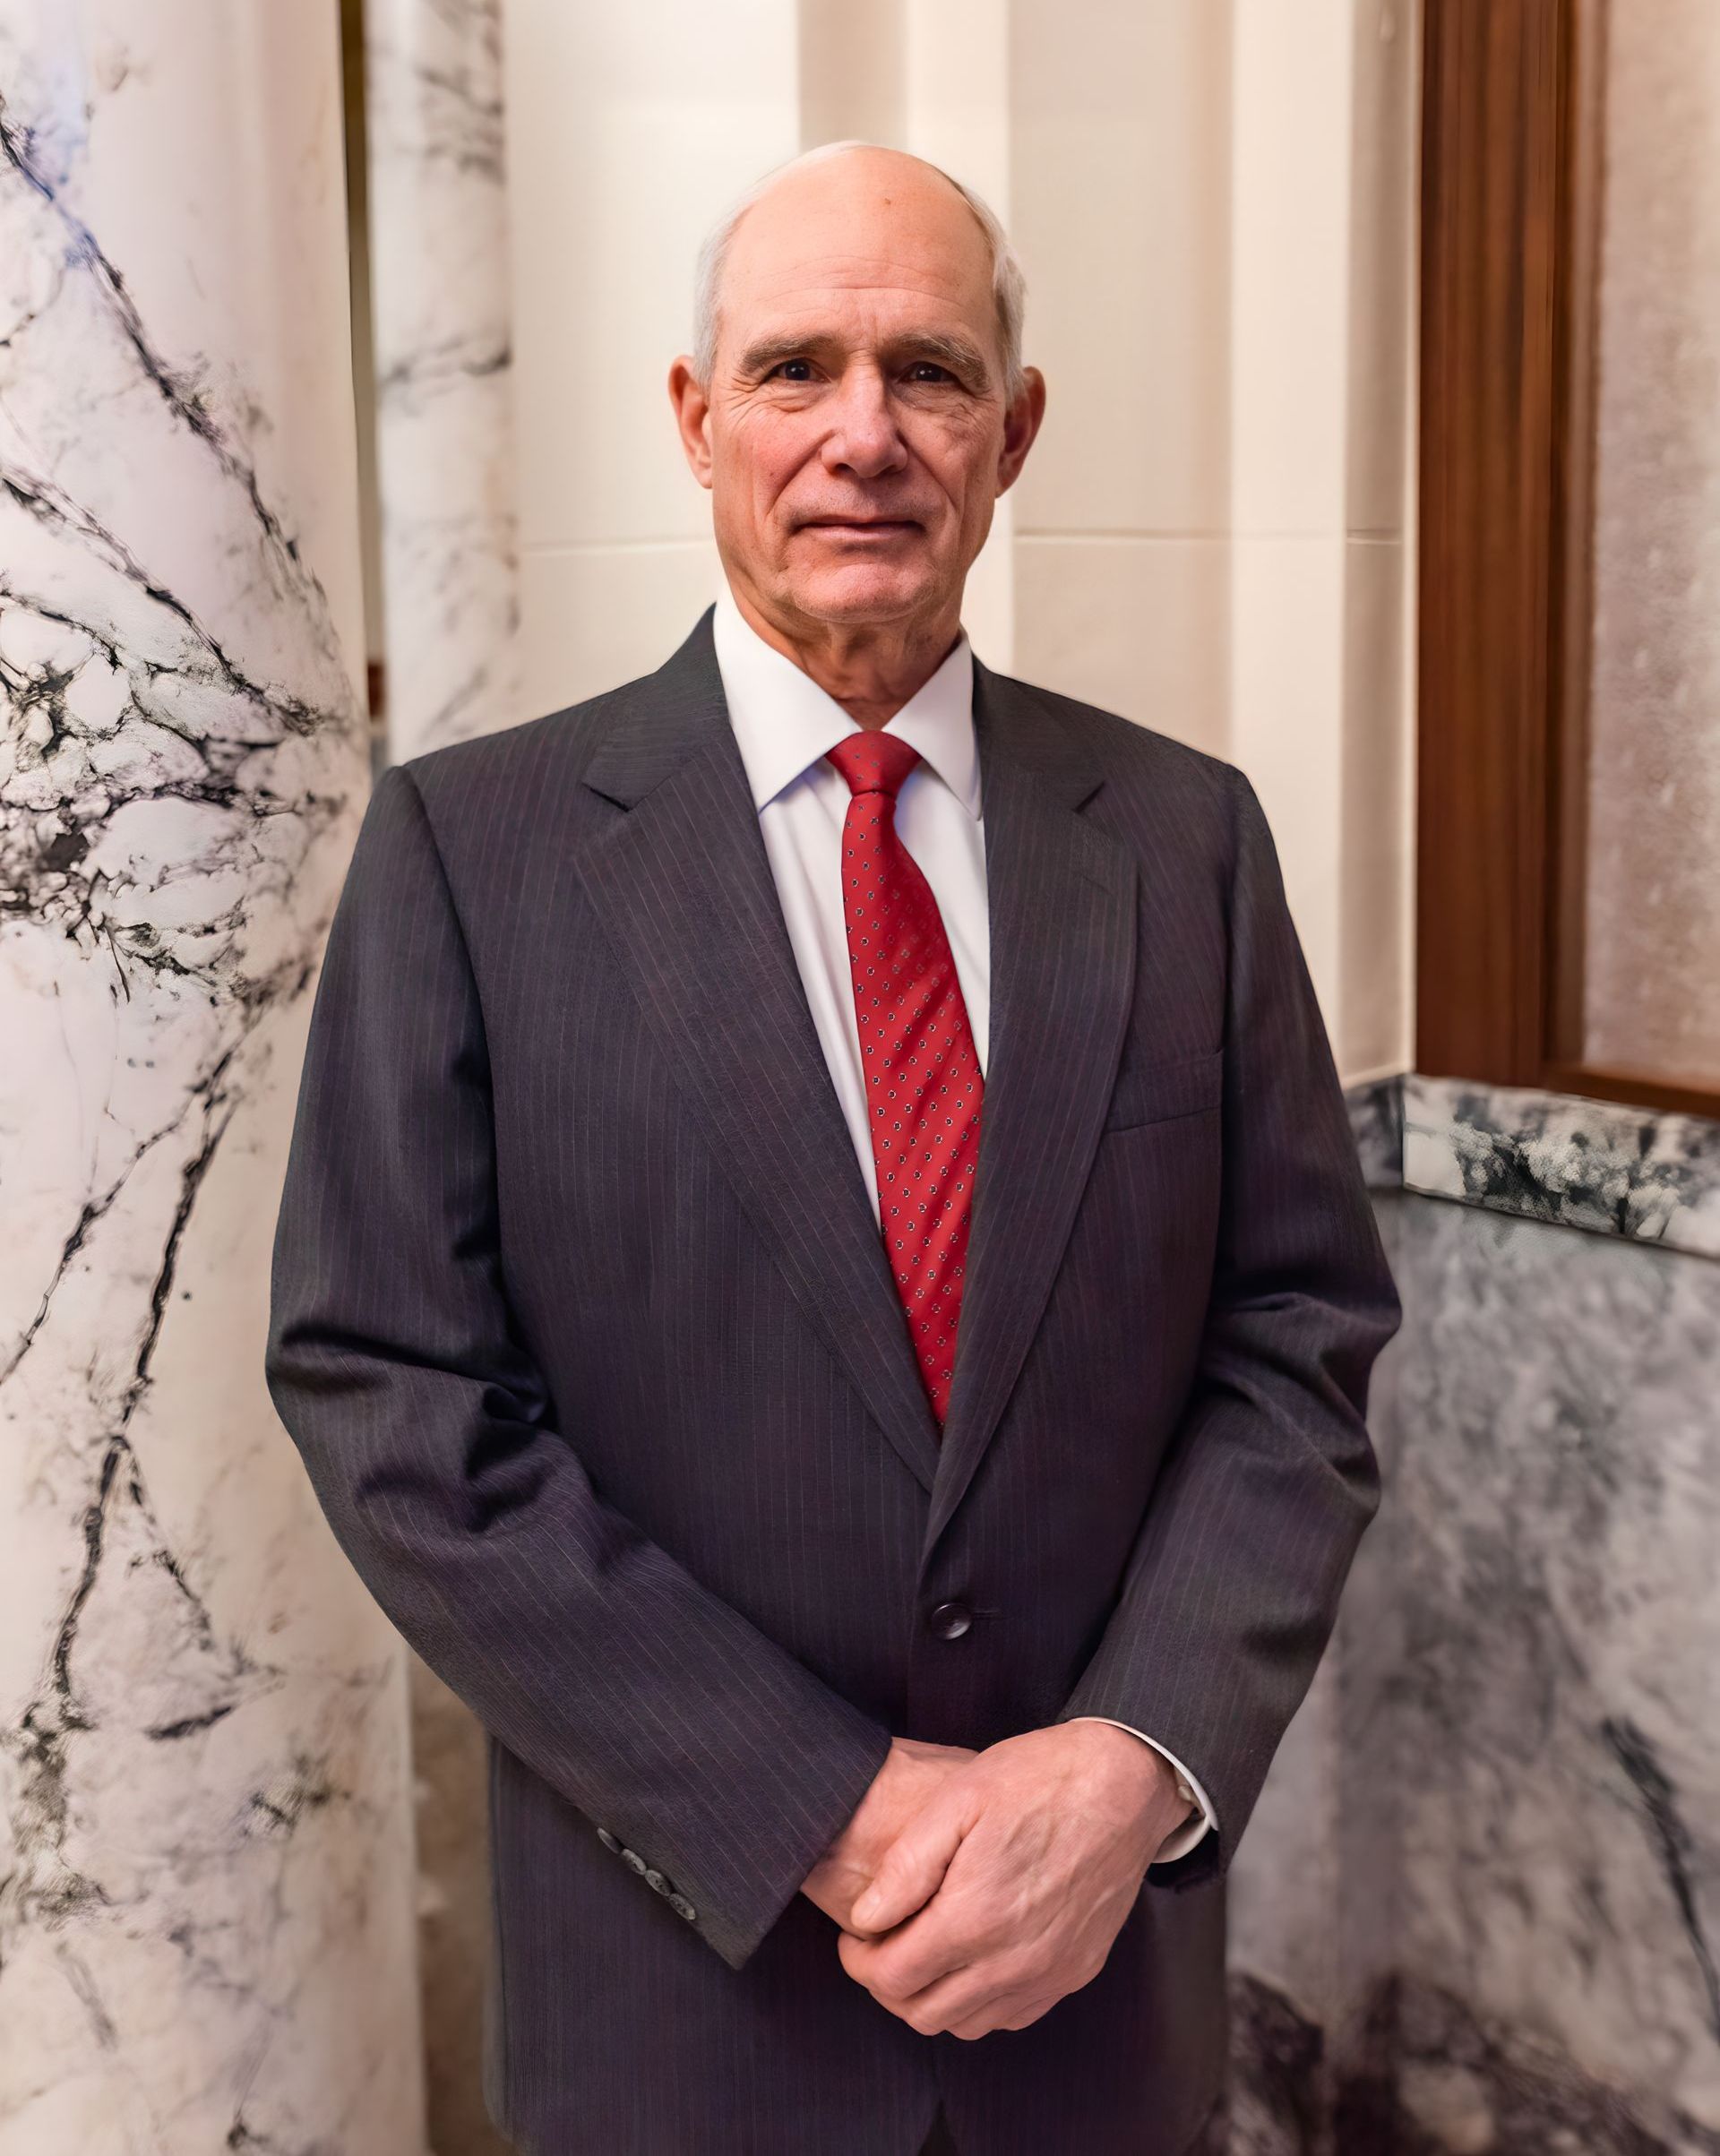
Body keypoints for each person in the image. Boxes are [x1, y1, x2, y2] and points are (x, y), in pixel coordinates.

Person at [266, 141, 1400, 2156]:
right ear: (698, 424)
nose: (864, 435)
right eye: (796, 368)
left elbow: (1291, 1340)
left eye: (931, 372)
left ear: (1015, 430)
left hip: (1094, 2009)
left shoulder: (1183, 842)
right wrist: (826, 1801)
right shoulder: (474, 852)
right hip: (686, 2016)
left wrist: (1133, 1767)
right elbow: (396, 1396)